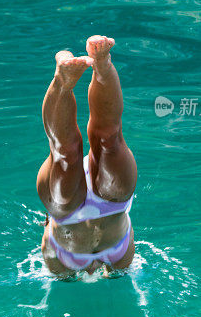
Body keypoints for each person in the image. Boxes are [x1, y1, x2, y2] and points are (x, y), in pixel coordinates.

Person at [37, 36, 137, 277]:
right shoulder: (56, 256)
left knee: (69, 152)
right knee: (100, 141)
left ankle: (89, 68)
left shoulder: (57, 263)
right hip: (114, 238)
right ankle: (84, 69)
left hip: (68, 237)